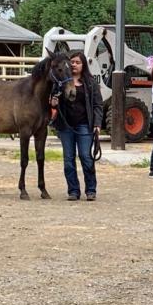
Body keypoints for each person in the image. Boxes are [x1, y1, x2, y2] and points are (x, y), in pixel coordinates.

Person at [52, 51, 104, 201]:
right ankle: (73, 190)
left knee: (86, 157)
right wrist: (53, 102)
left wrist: (97, 124)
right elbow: (53, 101)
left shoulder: (90, 83)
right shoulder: (61, 81)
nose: (74, 65)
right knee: (68, 159)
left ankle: (91, 189)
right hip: (66, 126)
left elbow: (97, 105)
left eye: (77, 62)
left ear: (83, 65)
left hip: (84, 125)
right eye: (72, 62)